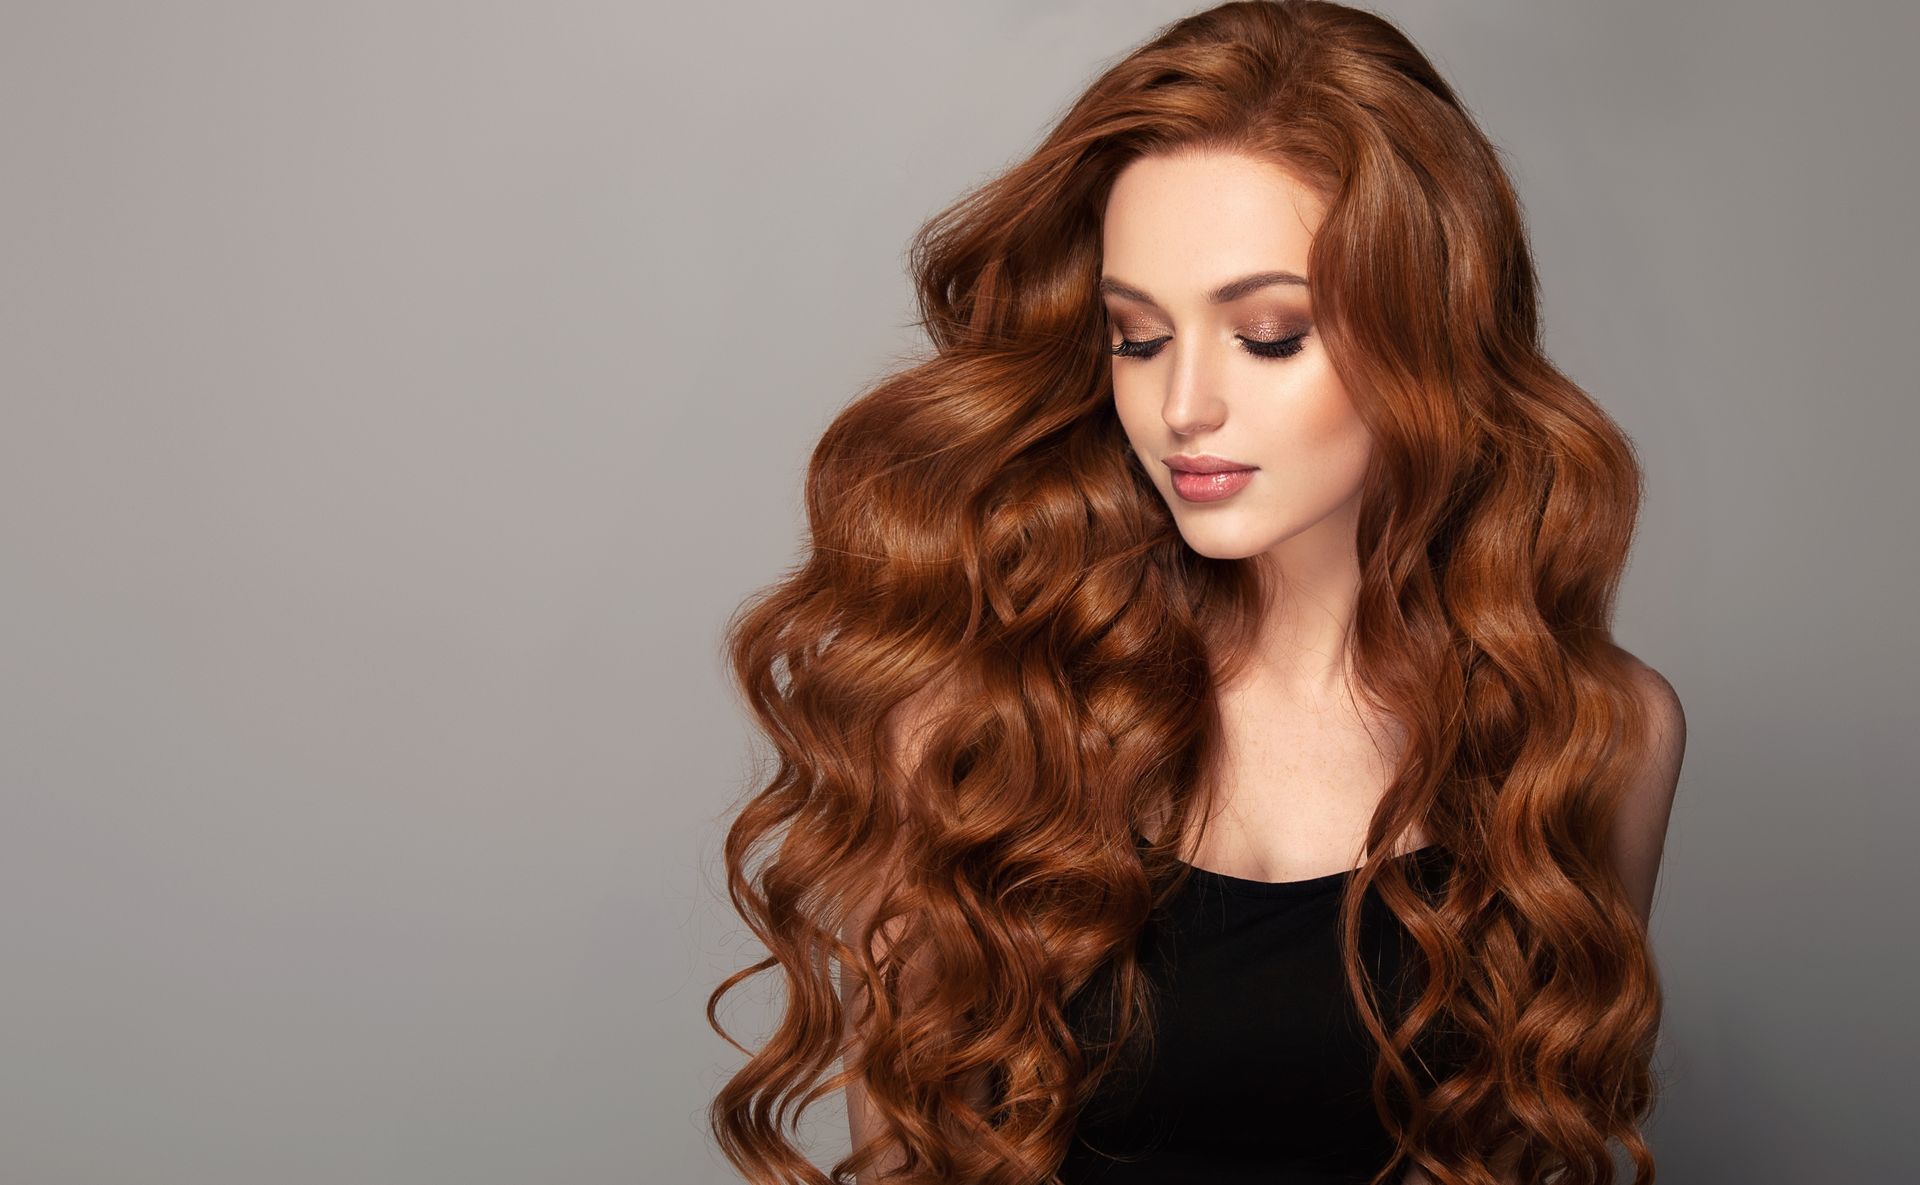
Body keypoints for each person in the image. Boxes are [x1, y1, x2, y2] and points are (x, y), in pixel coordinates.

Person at [706, 3, 1686, 1183]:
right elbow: (910, 1154)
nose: (1183, 408)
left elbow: (1535, 1148)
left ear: (1430, 333)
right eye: (1136, 337)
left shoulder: (1594, 733)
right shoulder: (966, 718)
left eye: (1268, 336)